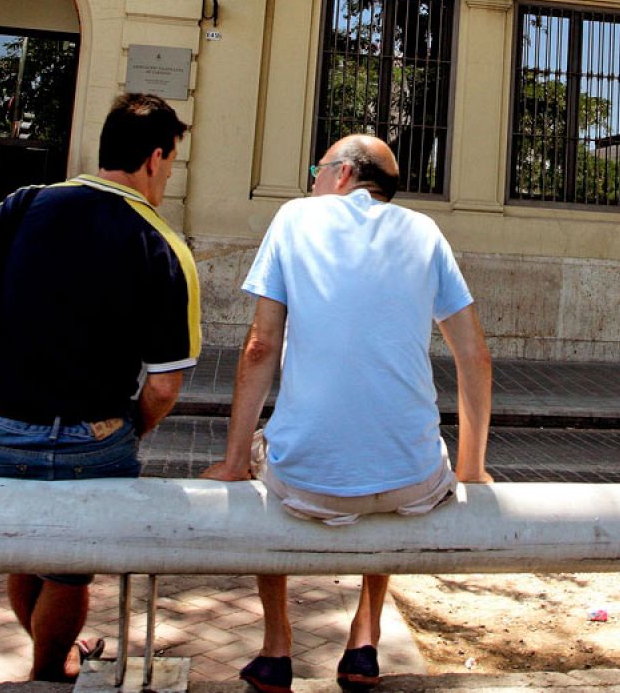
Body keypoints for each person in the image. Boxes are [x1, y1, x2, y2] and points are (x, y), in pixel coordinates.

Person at [201, 134, 493, 693]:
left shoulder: (294, 218)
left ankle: (276, 647)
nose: (312, 180)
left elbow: (261, 346)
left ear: (341, 174)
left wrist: (235, 459)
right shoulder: (425, 231)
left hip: (307, 481)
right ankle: (364, 639)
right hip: (412, 483)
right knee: (392, 449)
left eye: (317, 168)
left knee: (272, 453)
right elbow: (474, 355)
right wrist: (472, 469)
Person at [0, 93, 199, 683]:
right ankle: (49, 673)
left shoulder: (21, 205)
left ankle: (52, 656)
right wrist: (129, 429)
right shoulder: (162, 245)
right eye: (173, 161)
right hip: (92, 439)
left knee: (23, 553)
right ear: (156, 158)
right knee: (68, 572)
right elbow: (164, 384)